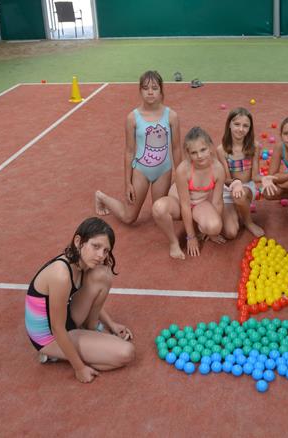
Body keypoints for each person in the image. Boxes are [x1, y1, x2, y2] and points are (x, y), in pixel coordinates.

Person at [25, 217, 135, 383]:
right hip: (50, 336)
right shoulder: (61, 275)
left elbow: (85, 298)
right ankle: (55, 353)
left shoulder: (81, 263)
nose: (101, 255)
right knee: (126, 353)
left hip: (66, 318)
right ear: (78, 241)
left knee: (102, 274)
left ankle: (89, 333)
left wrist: (111, 323)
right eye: (96, 246)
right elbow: (57, 328)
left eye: (106, 250)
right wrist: (79, 368)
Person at [95, 71, 181, 224]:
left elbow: (176, 148)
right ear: (140, 91)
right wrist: (127, 183)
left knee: (160, 215)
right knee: (129, 218)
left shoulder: (171, 116)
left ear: (161, 90)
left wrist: (181, 176)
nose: (150, 92)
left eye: (154, 88)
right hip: (141, 171)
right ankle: (101, 197)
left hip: (163, 171)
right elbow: (129, 151)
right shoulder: (132, 118)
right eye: (145, 88)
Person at [151, 127, 225, 259]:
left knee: (215, 227)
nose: (199, 156)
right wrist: (191, 237)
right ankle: (174, 242)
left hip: (199, 204)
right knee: (158, 208)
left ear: (210, 147)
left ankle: (198, 223)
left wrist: (212, 232)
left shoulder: (218, 169)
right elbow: (185, 205)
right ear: (188, 154)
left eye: (203, 150)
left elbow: (217, 202)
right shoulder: (183, 170)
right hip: (179, 203)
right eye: (194, 152)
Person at [216, 107, 264, 239]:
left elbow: (255, 176)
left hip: (247, 187)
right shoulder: (221, 150)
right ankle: (236, 210)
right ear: (229, 125)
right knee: (230, 233)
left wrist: (264, 179)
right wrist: (236, 183)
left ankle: (248, 222)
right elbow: (226, 179)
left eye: (245, 126)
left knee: (239, 196)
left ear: (250, 128)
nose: (241, 129)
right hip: (229, 188)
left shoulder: (255, 146)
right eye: (237, 124)